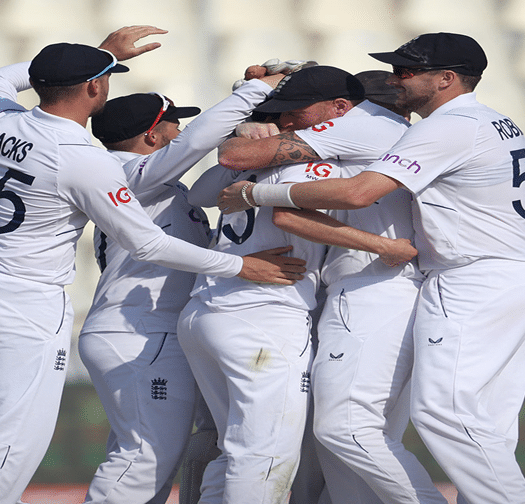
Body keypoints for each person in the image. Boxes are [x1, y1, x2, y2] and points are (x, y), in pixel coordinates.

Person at [0, 26, 305, 504]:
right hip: (19, 300)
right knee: (11, 441)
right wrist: (240, 267)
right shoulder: (83, 159)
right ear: (95, 87)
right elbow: (148, 240)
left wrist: (100, 54)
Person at [218, 32, 525, 503]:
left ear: (447, 78)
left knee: (431, 418)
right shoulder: (495, 120)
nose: (396, 78)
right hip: (513, 274)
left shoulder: (441, 126)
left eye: (408, 70)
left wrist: (257, 192)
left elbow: (358, 192)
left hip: (462, 279)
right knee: (481, 429)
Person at [179, 65, 419, 504]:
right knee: (264, 456)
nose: (289, 120)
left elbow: (198, 195)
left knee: (229, 449)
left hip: (205, 308)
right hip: (263, 313)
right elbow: (290, 214)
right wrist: (382, 246)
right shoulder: (313, 160)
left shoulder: (257, 157)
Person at [79, 64, 287, 504]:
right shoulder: (128, 175)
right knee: (144, 459)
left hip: (141, 329)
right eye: (174, 122)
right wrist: (253, 91)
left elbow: (214, 168)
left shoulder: (152, 184)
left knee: (148, 456)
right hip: (142, 332)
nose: (182, 130)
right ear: (152, 137)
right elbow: (197, 142)